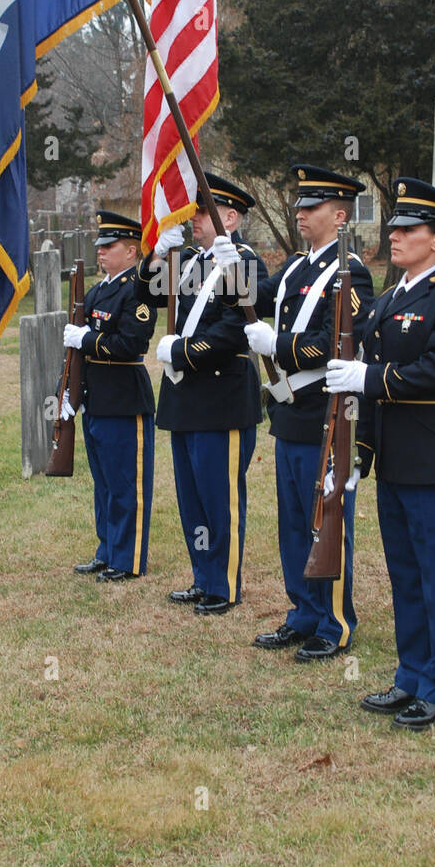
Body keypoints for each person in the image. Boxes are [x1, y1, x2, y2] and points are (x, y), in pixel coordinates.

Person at [325, 178, 435, 728]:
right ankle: (411, 677)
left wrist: (368, 376)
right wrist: (357, 455)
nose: (394, 236)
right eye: (393, 227)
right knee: (407, 575)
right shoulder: (392, 297)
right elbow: (366, 379)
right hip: (395, 460)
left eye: (408, 229)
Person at [242, 165, 375, 662]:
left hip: (325, 415)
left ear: (339, 215)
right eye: (299, 205)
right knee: (294, 521)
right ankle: (302, 612)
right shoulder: (298, 267)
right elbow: (255, 295)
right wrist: (233, 258)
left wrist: (275, 343)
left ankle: (334, 621)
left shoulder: (350, 271)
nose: (300, 213)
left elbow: (336, 343)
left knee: (327, 518)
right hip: (290, 416)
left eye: (312, 207)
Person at [136, 174, 267, 615]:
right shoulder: (187, 261)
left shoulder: (244, 261)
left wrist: (182, 350)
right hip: (184, 396)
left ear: (229, 217)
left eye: (201, 212)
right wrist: (158, 252)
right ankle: (202, 576)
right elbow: (145, 293)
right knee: (191, 496)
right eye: (190, 212)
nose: (192, 219)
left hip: (221, 394)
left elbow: (236, 330)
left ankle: (224, 584)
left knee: (218, 496)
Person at [63, 212, 157, 583]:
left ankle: (128, 558)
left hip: (124, 397)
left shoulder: (138, 289)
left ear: (132, 251)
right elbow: (80, 350)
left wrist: (86, 339)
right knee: (103, 483)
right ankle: (107, 551)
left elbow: (131, 343)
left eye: (109, 246)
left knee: (125, 484)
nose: (101, 252)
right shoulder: (99, 290)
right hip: (98, 399)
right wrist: (72, 391)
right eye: (99, 245)